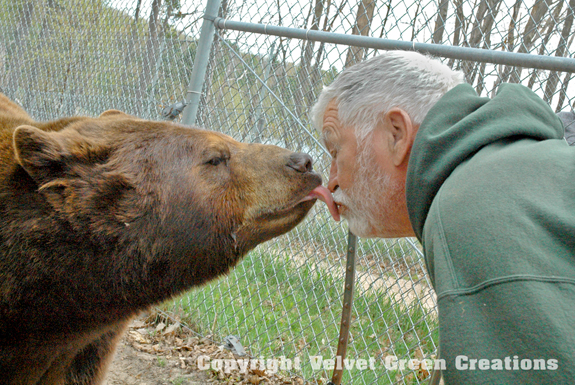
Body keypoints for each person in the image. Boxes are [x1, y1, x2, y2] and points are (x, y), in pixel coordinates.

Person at [311, 50, 575, 383]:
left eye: (335, 150)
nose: (331, 178)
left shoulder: (470, 209)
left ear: (396, 133)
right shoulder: (513, 169)